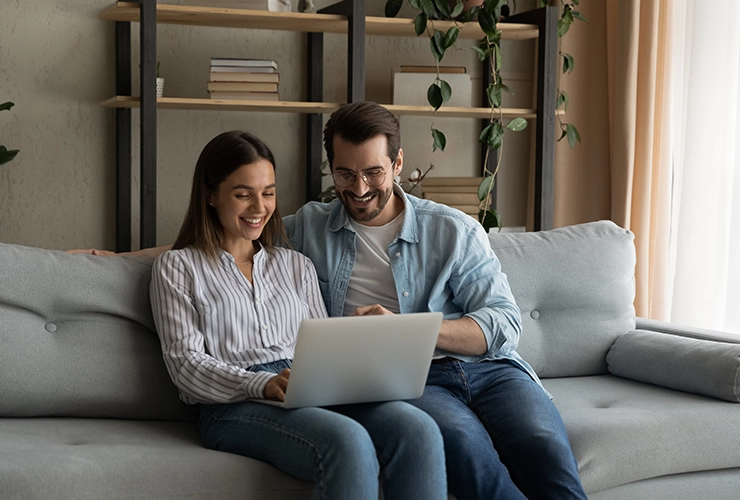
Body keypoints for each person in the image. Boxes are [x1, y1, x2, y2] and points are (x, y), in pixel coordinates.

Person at [282, 101, 588, 500]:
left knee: (542, 445)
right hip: (412, 381)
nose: (359, 189)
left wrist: (406, 331)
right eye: (345, 173)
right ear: (331, 167)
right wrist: (176, 256)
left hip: (492, 372)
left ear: (397, 164)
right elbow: (224, 237)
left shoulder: (453, 229)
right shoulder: (308, 227)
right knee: (464, 446)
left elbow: (504, 324)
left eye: (373, 172)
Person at [148, 130, 447, 500]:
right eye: (243, 194)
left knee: (418, 429)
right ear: (211, 194)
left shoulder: (295, 265)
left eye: (268, 193)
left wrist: (357, 352)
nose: (259, 207)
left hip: (307, 384)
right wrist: (260, 384)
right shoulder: (178, 268)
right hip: (233, 405)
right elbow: (185, 365)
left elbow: (321, 345)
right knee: (348, 441)